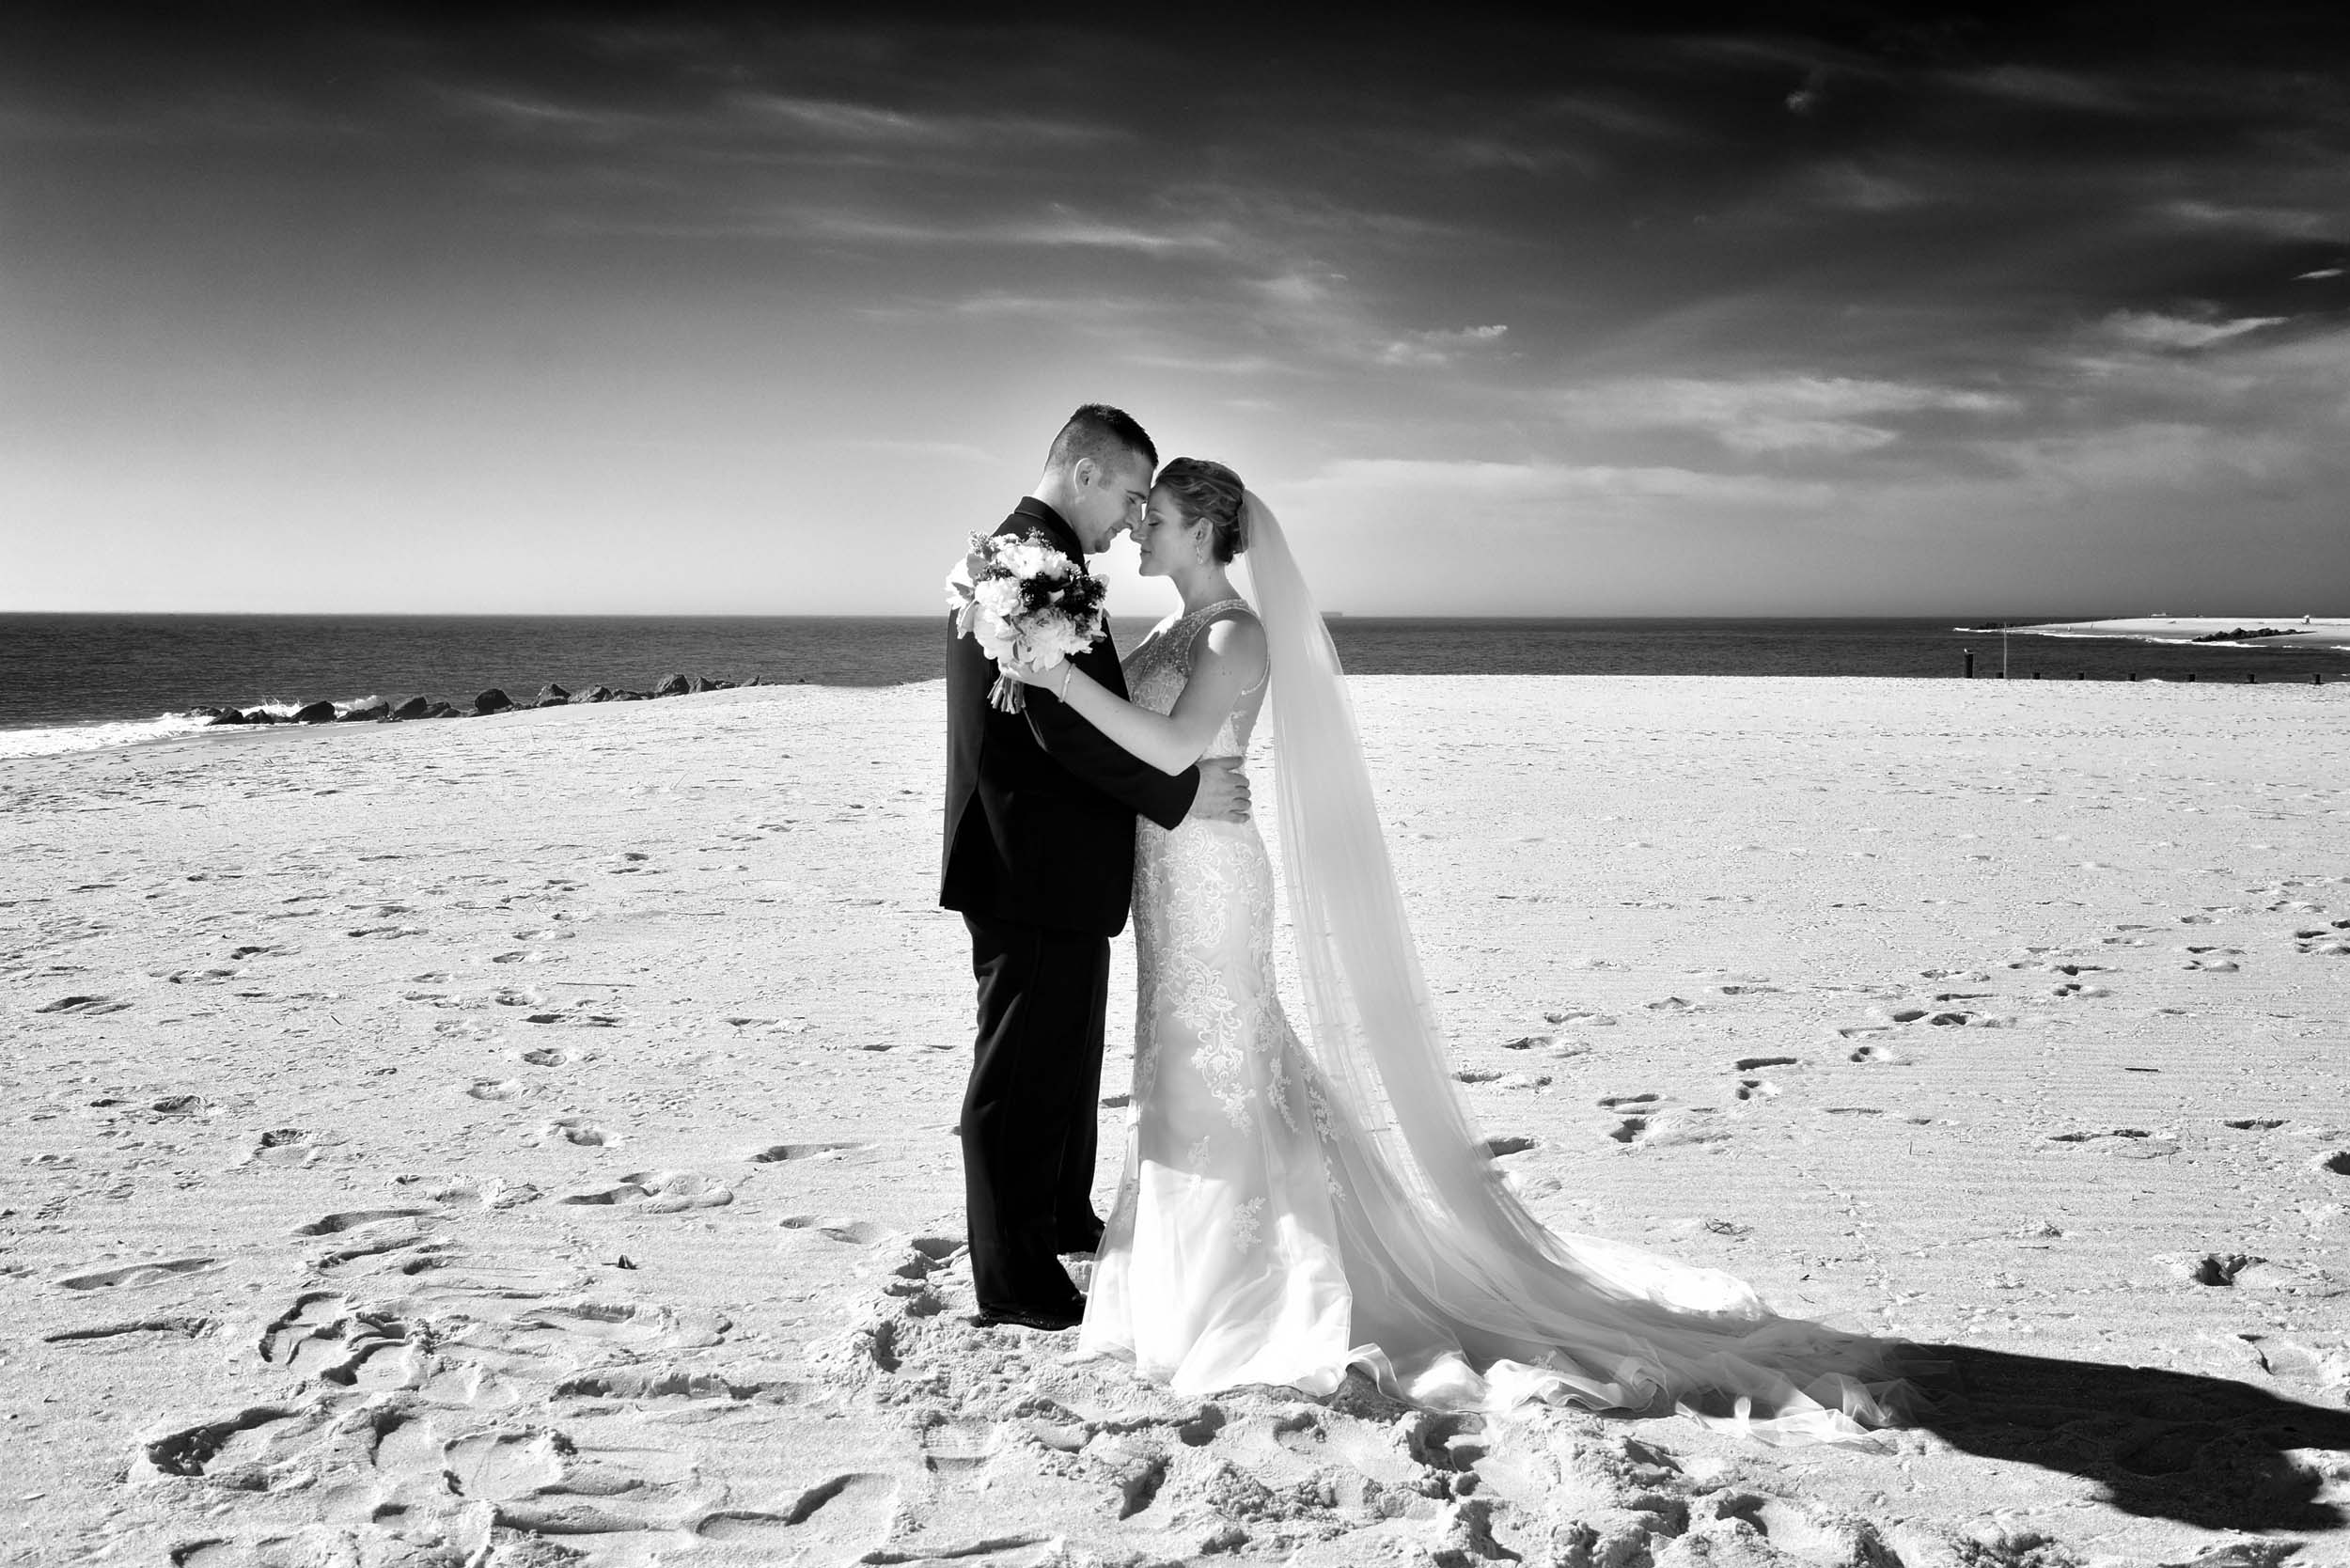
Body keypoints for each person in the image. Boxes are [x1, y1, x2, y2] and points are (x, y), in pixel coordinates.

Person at [1004, 459, 1912, 1438]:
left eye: (1158, 516)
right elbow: (1133, 747)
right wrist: (1044, 690)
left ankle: (1247, 1286)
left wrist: (1054, 676)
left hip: (1214, 873)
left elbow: (1177, 749)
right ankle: (1184, 1279)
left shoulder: (1233, 631)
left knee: (1217, 1056)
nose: (1138, 527)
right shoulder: (1168, 627)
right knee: (1179, 1061)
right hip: (1165, 873)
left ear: (1201, 530)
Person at [940, 406, 1252, 1333]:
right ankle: (1011, 1274)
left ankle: (1056, 1212)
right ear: (1084, 473)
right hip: (1026, 855)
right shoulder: (1033, 563)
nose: (1128, 522)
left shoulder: (1023, 555)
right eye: (1125, 496)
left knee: (1064, 1055)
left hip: (1050, 857)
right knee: (1018, 1068)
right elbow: (1060, 719)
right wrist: (1181, 796)